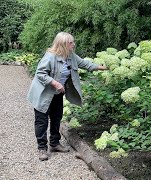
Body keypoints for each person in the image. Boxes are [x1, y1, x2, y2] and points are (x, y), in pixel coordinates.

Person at [27, 32, 108, 161]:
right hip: (43, 94)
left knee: (56, 118)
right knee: (41, 120)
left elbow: (85, 64)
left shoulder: (71, 56)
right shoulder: (50, 57)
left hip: (57, 94)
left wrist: (102, 67)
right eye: (71, 43)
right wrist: (55, 83)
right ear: (63, 44)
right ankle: (42, 148)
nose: (74, 44)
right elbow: (40, 74)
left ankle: (54, 143)